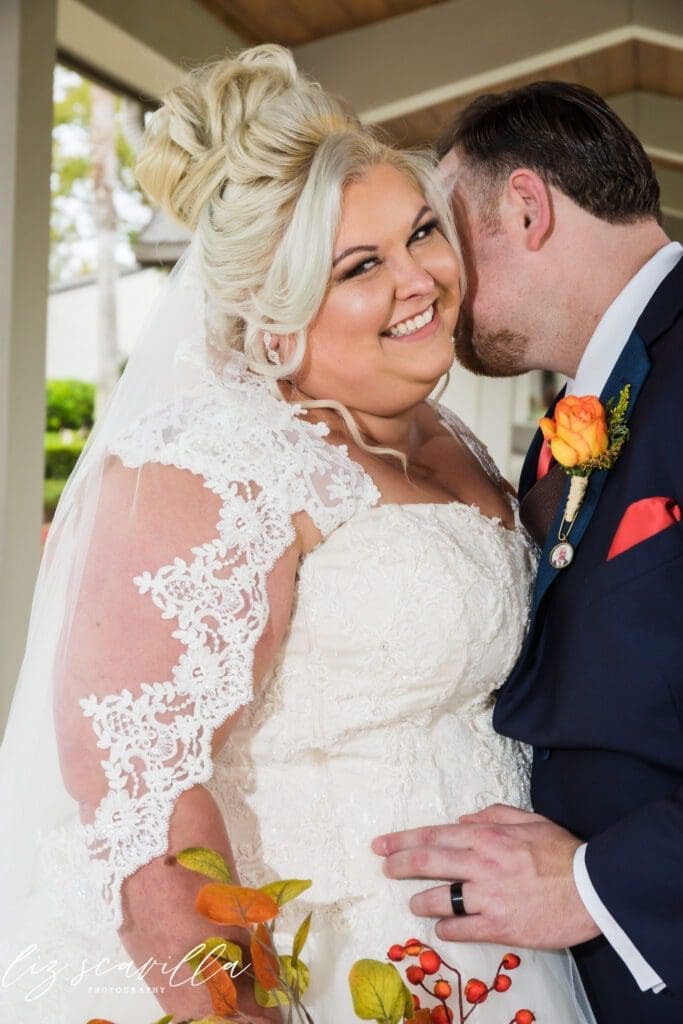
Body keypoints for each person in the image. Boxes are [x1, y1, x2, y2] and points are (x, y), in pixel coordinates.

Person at [0, 52, 594, 1024]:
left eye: (420, 233)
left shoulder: (451, 438)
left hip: (491, 952)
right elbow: (143, 801)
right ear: (274, 322)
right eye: (360, 267)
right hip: (321, 958)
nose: (420, 279)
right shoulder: (209, 465)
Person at [373, 82, 683, 1024]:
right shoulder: (566, 429)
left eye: (437, 233)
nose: (429, 278)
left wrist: (597, 885)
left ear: (524, 208)